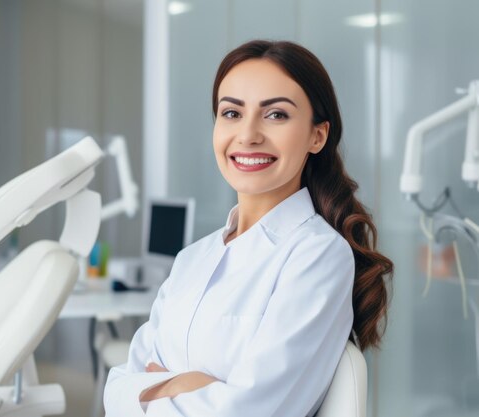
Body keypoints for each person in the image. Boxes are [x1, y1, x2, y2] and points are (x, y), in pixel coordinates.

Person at [103, 40, 393, 417]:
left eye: (275, 115)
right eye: (231, 113)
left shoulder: (317, 254)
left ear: (317, 136)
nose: (248, 134)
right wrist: (195, 388)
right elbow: (116, 389)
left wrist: (157, 390)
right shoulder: (193, 258)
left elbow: (250, 412)